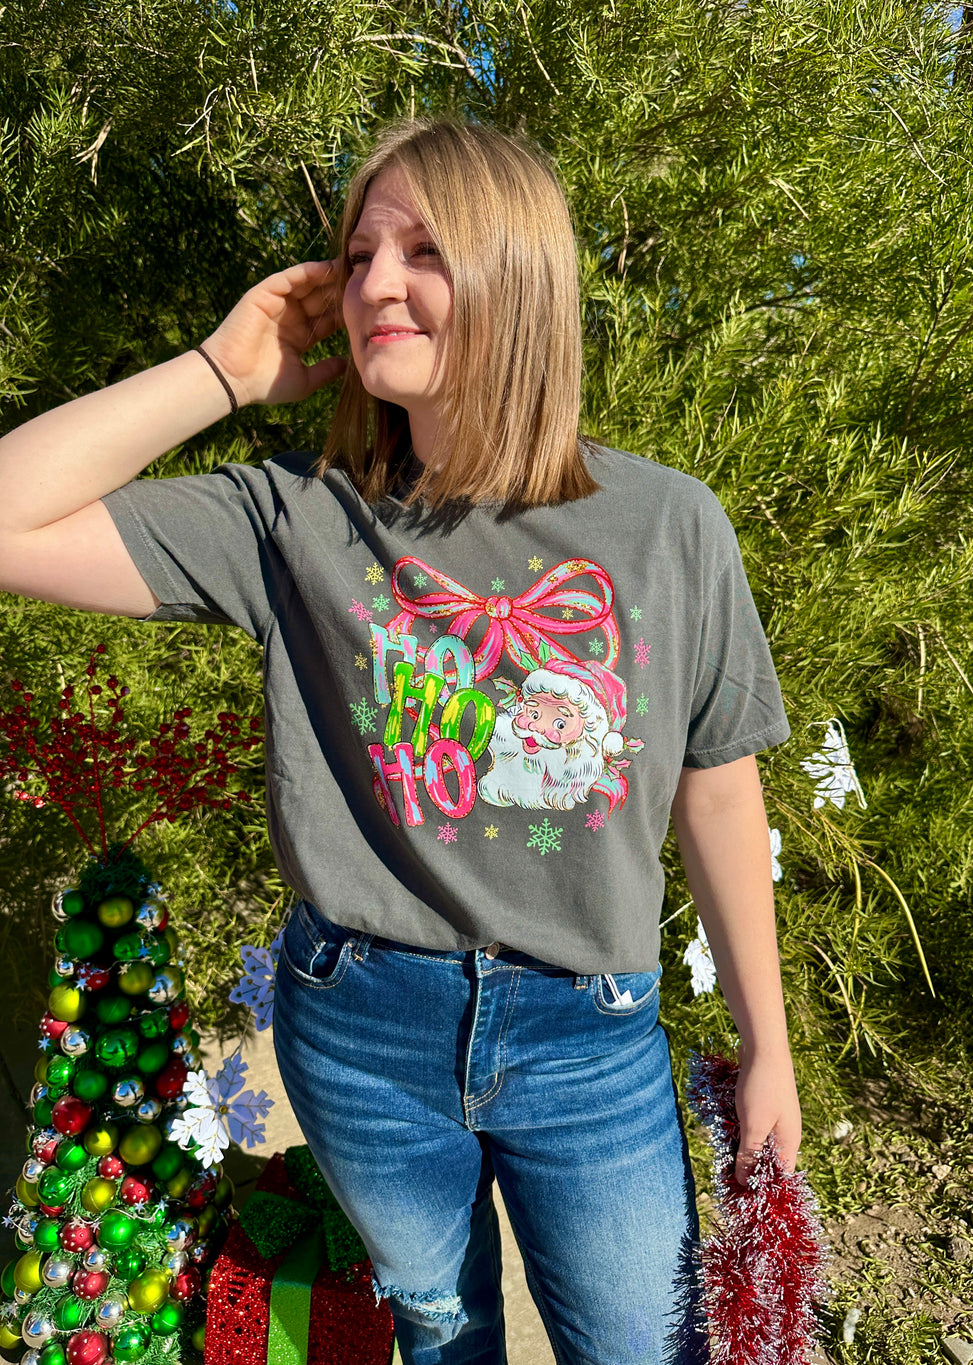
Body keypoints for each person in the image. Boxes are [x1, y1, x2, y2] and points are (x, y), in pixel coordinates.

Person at [0, 118, 801, 1365]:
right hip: (362, 1029)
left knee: (644, 1348)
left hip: (589, 1037)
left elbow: (717, 789)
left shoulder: (666, 525)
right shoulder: (294, 521)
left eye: (423, 249)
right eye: (360, 250)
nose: (375, 281)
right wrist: (222, 370)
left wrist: (769, 1048)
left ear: (517, 278)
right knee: (438, 1333)